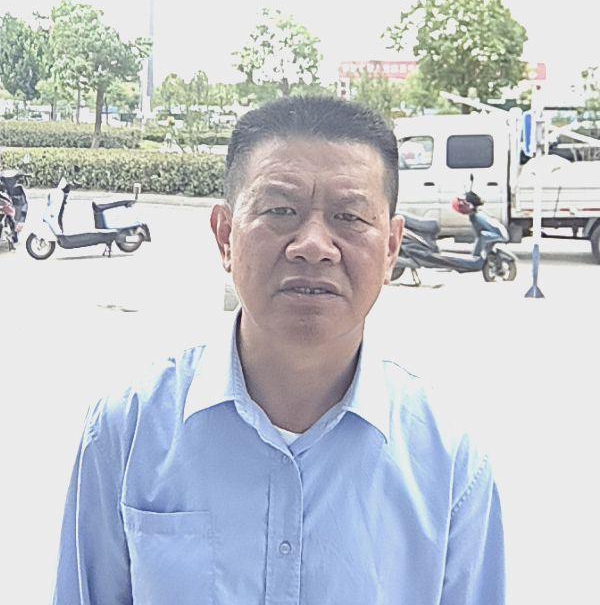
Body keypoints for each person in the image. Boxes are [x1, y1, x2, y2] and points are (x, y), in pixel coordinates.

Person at [52, 96, 505, 604]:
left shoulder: (450, 463)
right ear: (225, 236)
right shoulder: (127, 431)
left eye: (349, 216)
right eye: (280, 211)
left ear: (392, 248)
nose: (313, 245)